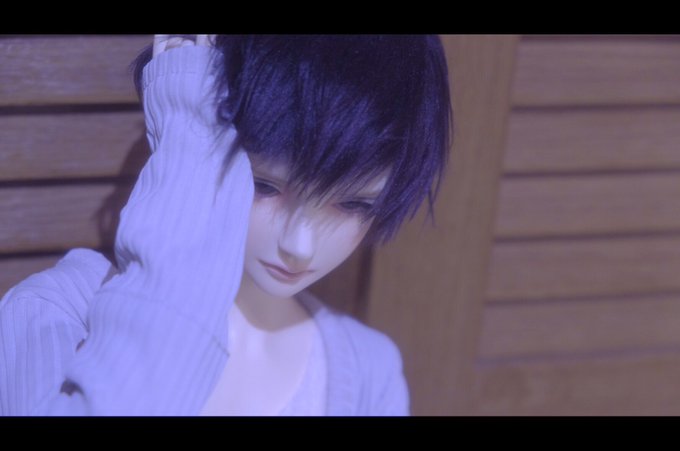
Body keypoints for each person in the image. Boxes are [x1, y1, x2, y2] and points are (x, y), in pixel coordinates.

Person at [0, 34, 452, 415]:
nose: (300, 245)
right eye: (264, 185)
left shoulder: (370, 374)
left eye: (352, 204)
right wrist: (186, 119)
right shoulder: (56, 312)